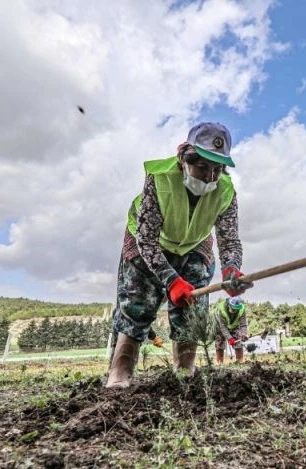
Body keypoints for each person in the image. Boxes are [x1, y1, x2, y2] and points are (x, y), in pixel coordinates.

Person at [106, 122, 251, 388]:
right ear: (184, 157)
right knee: (137, 304)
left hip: (194, 244)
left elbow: (229, 240)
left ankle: (185, 373)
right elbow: (147, 241)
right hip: (148, 242)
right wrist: (171, 281)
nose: (210, 177)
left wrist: (231, 270)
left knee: (191, 308)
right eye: (203, 167)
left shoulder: (226, 191)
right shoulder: (159, 178)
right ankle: (120, 373)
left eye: (217, 169)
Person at [215, 296, 249, 364]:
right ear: (229, 304)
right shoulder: (221, 310)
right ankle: (220, 363)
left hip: (234, 325)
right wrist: (230, 338)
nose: (234, 311)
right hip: (220, 326)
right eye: (233, 309)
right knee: (219, 343)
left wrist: (244, 334)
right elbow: (223, 327)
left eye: (236, 309)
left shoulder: (242, 309)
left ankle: (240, 362)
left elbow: (243, 324)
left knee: (238, 342)